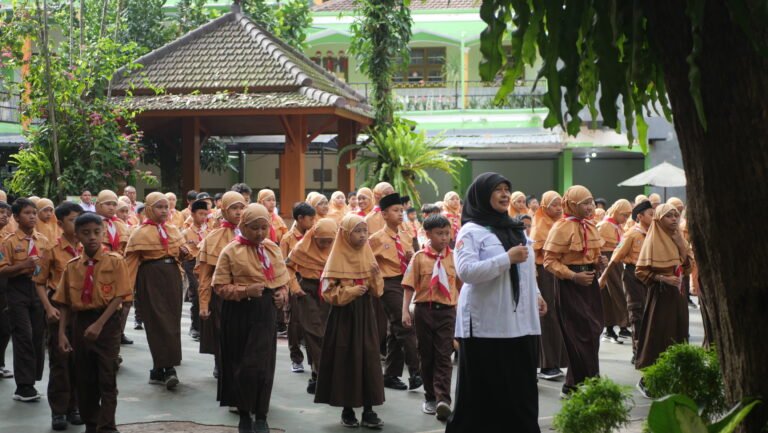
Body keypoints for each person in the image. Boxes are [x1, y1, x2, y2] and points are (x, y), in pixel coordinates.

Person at [447, 173, 546, 433]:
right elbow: (466, 272)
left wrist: (536, 293)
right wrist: (506, 259)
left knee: (520, 389)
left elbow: (526, 267)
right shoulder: (471, 231)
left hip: (520, 323)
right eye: (497, 190)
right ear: (481, 196)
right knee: (483, 393)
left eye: (507, 189)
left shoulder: (515, 228)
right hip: (486, 324)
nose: (504, 194)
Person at [212, 203, 290, 433]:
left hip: (265, 312)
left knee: (263, 366)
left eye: (264, 228)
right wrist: (245, 291)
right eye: (254, 228)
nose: (259, 233)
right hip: (238, 313)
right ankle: (244, 414)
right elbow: (219, 286)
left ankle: (262, 415)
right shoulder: (230, 251)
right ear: (243, 226)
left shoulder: (273, 249)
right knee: (241, 365)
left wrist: (282, 295)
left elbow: (283, 279)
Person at [55, 212, 130, 433]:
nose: (92, 237)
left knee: (107, 376)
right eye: (85, 233)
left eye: (97, 232)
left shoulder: (115, 261)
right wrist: (62, 334)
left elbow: (120, 295)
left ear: (104, 233)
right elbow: (65, 303)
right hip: (81, 322)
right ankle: (91, 423)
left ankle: (107, 427)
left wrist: (99, 324)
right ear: (76, 235)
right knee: (84, 378)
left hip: (106, 322)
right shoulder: (72, 266)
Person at [314, 214, 385, 428]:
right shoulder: (336, 258)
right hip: (343, 317)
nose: (363, 235)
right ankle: (347, 409)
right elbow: (328, 293)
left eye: (365, 231)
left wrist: (373, 277)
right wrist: (350, 291)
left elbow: (378, 291)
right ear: (345, 234)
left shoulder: (368, 255)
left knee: (369, 358)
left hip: (365, 314)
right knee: (346, 359)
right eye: (358, 231)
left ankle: (370, 409)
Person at [543, 185, 605, 398]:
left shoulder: (590, 225)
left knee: (595, 330)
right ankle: (591, 379)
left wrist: (598, 263)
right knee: (581, 333)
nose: (590, 207)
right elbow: (549, 261)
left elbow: (593, 255)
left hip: (590, 284)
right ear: (571, 205)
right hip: (570, 285)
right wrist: (573, 276)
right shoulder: (561, 227)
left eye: (591, 202)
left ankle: (572, 384)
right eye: (585, 204)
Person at [401, 214, 460, 421]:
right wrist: (404, 311)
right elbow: (408, 286)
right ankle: (430, 397)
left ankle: (444, 399)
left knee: (444, 354)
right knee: (426, 355)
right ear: (428, 235)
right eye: (439, 234)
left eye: (447, 233)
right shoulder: (418, 258)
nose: (444, 238)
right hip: (424, 310)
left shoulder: (455, 257)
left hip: (447, 311)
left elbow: (460, 287)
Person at [124, 192, 185, 390]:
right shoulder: (139, 233)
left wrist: (184, 253)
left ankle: (158, 370)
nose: (164, 211)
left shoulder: (173, 229)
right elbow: (131, 264)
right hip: (151, 278)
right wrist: (125, 293)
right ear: (149, 209)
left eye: (166, 207)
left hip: (172, 277)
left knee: (172, 322)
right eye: (159, 207)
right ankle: (169, 369)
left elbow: (181, 254)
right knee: (158, 322)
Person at [33, 202, 84, 430]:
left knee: (80, 359)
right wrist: (48, 308)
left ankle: (75, 406)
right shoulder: (51, 249)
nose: (78, 224)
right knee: (60, 358)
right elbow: (39, 282)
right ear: (61, 223)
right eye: (73, 219)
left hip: (84, 308)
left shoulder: (88, 247)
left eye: (80, 219)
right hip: (59, 306)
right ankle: (59, 410)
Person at [634, 203, 693, 395]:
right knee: (658, 335)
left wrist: (680, 244)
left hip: (678, 294)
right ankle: (649, 379)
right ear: (659, 220)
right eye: (669, 216)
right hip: (660, 296)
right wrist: (663, 278)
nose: (674, 219)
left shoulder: (680, 238)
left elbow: (687, 267)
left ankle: (672, 378)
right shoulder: (652, 240)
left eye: (676, 215)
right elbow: (640, 271)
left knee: (678, 332)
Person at [0, 198, 54, 402]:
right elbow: (2, 270)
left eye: (34, 212)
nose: (32, 216)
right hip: (17, 290)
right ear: (16, 217)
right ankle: (23, 386)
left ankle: (33, 378)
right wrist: (23, 265)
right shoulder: (8, 242)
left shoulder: (43, 240)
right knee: (23, 334)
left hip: (38, 289)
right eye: (27, 213)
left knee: (38, 336)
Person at [368, 193, 422, 392]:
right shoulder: (376, 239)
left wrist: (410, 257)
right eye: (395, 211)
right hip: (388, 284)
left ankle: (390, 374)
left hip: (404, 282)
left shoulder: (406, 235)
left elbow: (412, 261)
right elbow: (365, 260)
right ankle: (416, 370)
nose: (401, 214)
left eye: (401, 210)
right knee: (404, 324)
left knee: (394, 330)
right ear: (383, 214)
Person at [198, 191, 247, 380]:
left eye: (242, 207)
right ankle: (221, 364)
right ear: (224, 210)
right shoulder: (213, 238)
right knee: (223, 332)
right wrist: (203, 303)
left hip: (245, 294)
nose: (238, 212)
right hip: (222, 295)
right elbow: (204, 276)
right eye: (234, 208)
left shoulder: (251, 233)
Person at [286, 218, 337, 394]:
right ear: (314, 236)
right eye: (321, 240)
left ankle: (318, 373)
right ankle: (321, 373)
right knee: (314, 332)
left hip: (330, 291)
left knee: (328, 333)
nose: (325, 244)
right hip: (307, 291)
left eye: (330, 241)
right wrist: (295, 287)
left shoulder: (338, 248)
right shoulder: (302, 247)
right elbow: (288, 267)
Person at [599, 200, 654, 361]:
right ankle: (637, 351)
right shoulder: (631, 233)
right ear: (640, 216)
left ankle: (647, 349)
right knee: (637, 312)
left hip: (649, 276)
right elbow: (616, 256)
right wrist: (604, 276)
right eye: (651, 215)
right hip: (633, 275)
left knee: (648, 313)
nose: (654, 218)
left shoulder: (652, 233)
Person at [530, 191, 568, 381]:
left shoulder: (562, 223)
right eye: (554, 205)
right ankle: (546, 364)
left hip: (561, 272)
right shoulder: (539, 226)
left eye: (560, 204)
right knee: (548, 315)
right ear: (544, 207)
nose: (559, 208)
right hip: (545, 273)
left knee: (560, 315)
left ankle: (557, 361)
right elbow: (539, 253)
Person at [280, 202, 317, 374]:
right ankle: (296, 358)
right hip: (294, 280)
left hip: (312, 281)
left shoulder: (314, 236)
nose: (313, 221)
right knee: (294, 323)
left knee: (312, 321)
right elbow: (283, 266)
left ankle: (314, 359)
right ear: (300, 219)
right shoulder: (288, 239)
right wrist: (292, 288)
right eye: (311, 218)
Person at [95, 190, 133, 346]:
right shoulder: (93, 223)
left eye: (114, 204)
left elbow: (128, 247)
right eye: (107, 204)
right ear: (98, 206)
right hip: (101, 269)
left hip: (120, 268)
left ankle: (119, 333)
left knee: (125, 302)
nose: (111, 207)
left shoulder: (120, 224)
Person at [596, 199, 633, 344]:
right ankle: (611, 329)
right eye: (624, 215)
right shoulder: (605, 225)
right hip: (608, 262)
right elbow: (601, 247)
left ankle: (620, 327)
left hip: (615, 262)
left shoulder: (616, 226)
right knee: (612, 295)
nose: (625, 219)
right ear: (617, 212)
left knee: (616, 295)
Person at [181, 199, 211, 341]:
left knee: (207, 293)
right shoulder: (186, 233)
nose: (203, 217)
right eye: (200, 214)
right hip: (191, 264)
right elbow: (183, 251)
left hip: (205, 263)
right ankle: (195, 327)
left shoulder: (210, 232)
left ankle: (205, 327)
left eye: (206, 214)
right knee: (196, 293)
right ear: (192, 214)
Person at [0, 202, 13, 380]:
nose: (4, 216)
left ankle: (1, 363)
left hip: (5, 288)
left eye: (6, 213)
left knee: (5, 328)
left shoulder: (7, 237)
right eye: (1, 212)